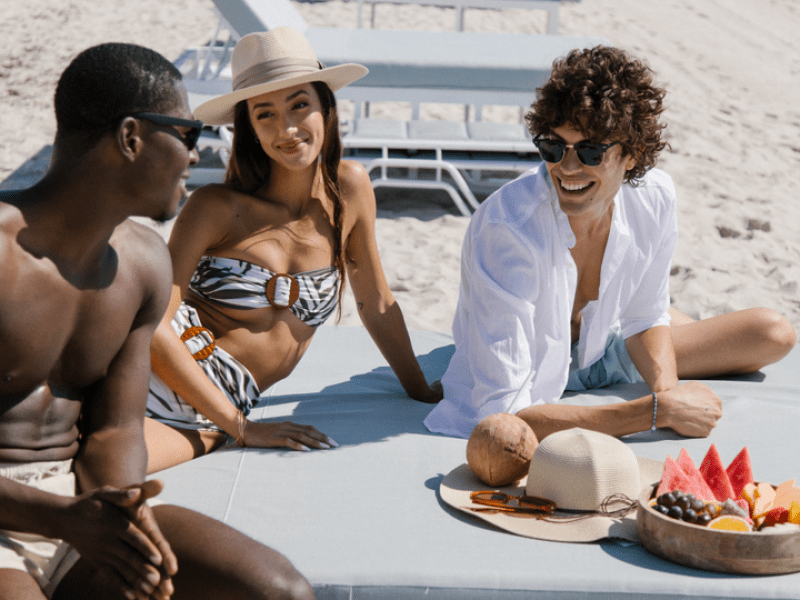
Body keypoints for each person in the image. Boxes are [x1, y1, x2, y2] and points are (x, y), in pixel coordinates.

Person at [0, 42, 315, 600]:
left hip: (79, 507)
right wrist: (66, 519)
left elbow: (115, 429)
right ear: (131, 138)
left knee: (277, 590)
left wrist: (122, 511)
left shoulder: (143, 265)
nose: (198, 156)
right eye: (190, 135)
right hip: (20, 520)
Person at [424, 46, 796, 442]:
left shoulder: (655, 197)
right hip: (529, 365)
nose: (566, 168)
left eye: (590, 151)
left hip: (604, 349)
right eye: (554, 147)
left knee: (773, 333)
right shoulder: (508, 229)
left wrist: (671, 393)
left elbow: (644, 317)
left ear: (631, 155)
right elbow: (505, 416)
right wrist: (654, 411)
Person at [144, 27, 442, 473]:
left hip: (224, 401)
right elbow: (152, 325)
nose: (286, 128)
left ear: (326, 107)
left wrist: (422, 392)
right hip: (169, 379)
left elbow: (375, 302)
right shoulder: (216, 207)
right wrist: (240, 428)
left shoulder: (351, 190)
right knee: (78, 469)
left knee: (95, 471)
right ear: (250, 128)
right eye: (265, 114)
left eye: (299, 105)